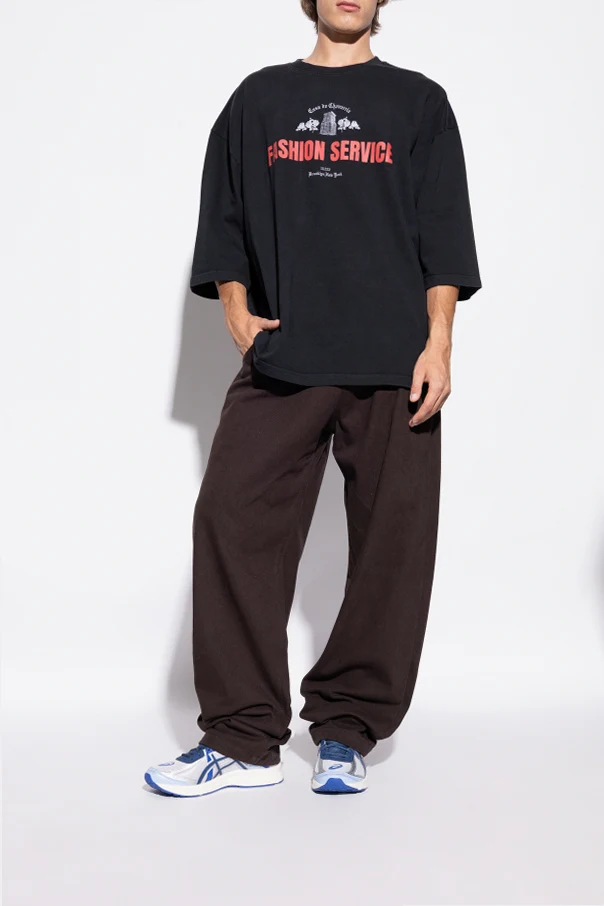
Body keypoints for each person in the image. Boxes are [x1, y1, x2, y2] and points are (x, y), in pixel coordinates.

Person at [144, 0, 481, 797]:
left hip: (396, 363)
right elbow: (224, 214)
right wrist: (235, 310)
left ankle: (347, 728)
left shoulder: (419, 103)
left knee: (394, 547)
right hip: (286, 355)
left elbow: (444, 231)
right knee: (230, 518)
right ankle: (242, 739)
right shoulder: (259, 98)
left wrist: (438, 343)